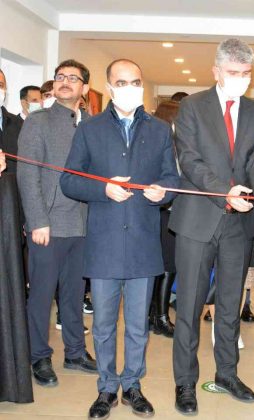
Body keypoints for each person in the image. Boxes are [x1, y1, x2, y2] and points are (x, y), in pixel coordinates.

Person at [60, 58, 180, 419]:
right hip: (105, 242)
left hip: (143, 240)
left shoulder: (159, 130)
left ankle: (133, 385)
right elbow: (69, 179)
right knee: (103, 324)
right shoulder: (90, 129)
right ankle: (107, 387)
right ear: (110, 87)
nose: (130, 88)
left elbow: (172, 178)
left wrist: (163, 192)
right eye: (122, 82)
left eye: (135, 82)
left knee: (139, 325)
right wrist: (103, 189)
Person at [168, 38, 254, 415]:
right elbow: (190, 160)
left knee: (230, 306)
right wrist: (225, 191)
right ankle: (185, 383)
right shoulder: (192, 107)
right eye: (233, 72)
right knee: (189, 306)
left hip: (239, 224)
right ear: (216, 71)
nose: (240, 79)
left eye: (246, 74)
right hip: (198, 219)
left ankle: (227, 374)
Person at [17, 59, 97, 388]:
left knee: (74, 294)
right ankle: (39, 356)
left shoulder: (93, 124)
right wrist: (37, 220)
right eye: (60, 77)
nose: (65, 82)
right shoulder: (39, 122)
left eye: (73, 78)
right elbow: (27, 174)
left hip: (84, 225)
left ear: (84, 88)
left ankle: (75, 352)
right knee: (41, 296)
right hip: (48, 225)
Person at [0, 68, 33, 404]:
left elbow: (26, 175)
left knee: (10, 296)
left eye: (0, 84)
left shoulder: (16, 125)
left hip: (10, 220)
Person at [150, 99, 180, 337]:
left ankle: (154, 316)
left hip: (164, 213)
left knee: (162, 267)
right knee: (167, 267)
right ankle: (160, 317)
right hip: (164, 213)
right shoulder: (166, 145)